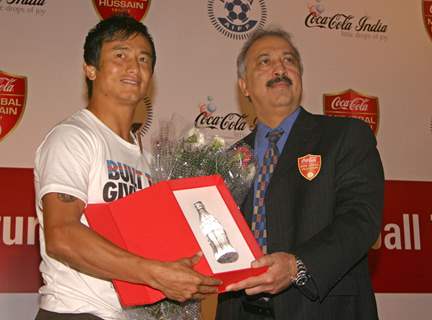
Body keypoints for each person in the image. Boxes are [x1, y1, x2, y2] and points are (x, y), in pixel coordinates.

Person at [34, 14, 220, 320]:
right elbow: (62, 236)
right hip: (78, 312)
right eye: (120, 55)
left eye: (144, 59)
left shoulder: (145, 160)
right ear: (90, 69)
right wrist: (155, 274)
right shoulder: (74, 137)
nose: (134, 67)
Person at [216, 27, 384, 320]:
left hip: (321, 309)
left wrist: (297, 266)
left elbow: (361, 220)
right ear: (244, 86)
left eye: (289, 60)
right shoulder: (227, 160)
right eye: (264, 61)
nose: (280, 68)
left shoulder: (345, 136)